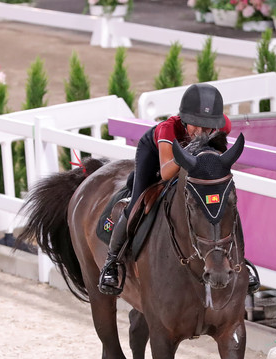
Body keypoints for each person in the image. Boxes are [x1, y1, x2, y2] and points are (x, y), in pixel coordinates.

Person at [98, 83, 260, 296]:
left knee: (224, 203)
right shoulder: (168, 128)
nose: (202, 131)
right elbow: (166, 172)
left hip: (190, 160)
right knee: (138, 201)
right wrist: (192, 151)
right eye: (195, 125)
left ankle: (240, 260)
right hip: (157, 155)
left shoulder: (222, 125)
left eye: (208, 127)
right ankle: (112, 263)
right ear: (184, 120)